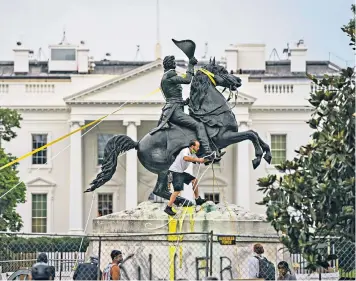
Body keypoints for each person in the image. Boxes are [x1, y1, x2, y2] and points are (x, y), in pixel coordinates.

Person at [149, 55, 220, 163]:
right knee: (199, 125)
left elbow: (172, 97)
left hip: (175, 108)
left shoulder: (167, 76)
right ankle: (207, 151)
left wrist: (184, 102)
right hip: (174, 112)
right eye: (173, 61)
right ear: (170, 64)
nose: (175, 63)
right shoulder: (169, 76)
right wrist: (190, 65)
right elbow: (187, 80)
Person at [164, 140, 208, 216]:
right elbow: (186, 158)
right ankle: (168, 207)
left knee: (194, 180)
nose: (198, 148)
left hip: (180, 172)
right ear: (192, 146)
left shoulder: (192, 154)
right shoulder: (185, 150)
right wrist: (198, 159)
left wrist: (207, 160)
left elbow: (198, 160)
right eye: (197, 147)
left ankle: (198, 199)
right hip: (174, 172)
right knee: (177, 190)